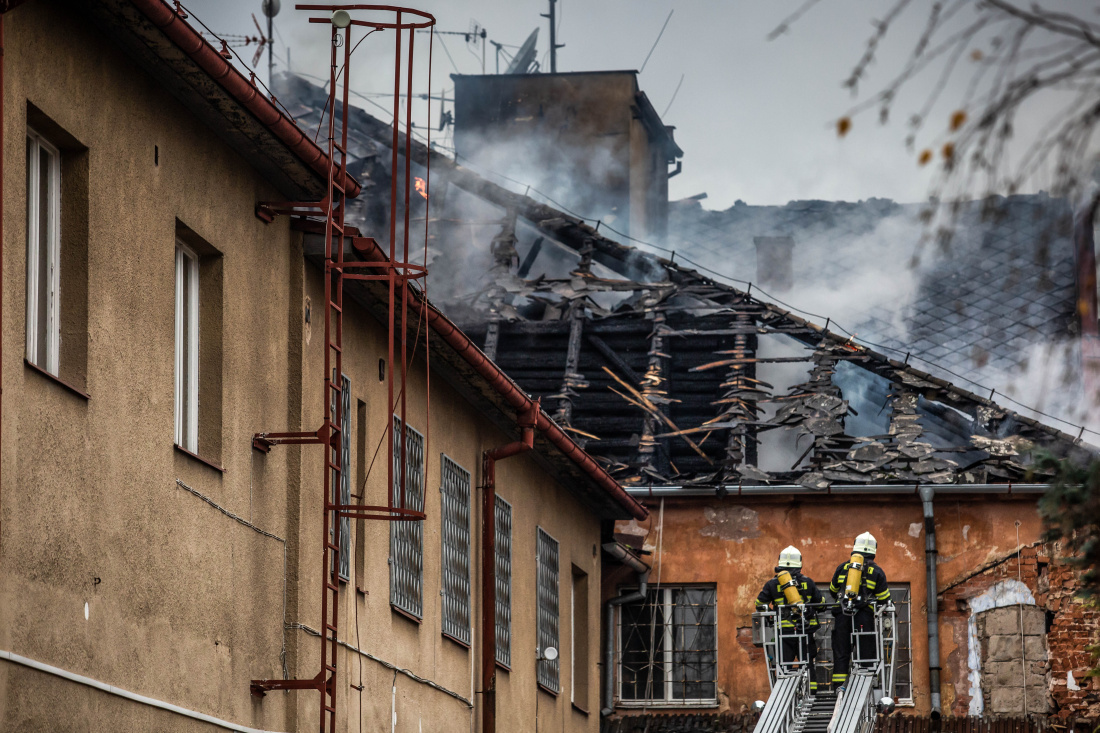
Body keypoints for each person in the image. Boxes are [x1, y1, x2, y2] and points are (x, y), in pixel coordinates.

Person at [755, 545, 824, 691]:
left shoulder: (772, 584)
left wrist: (771, 615)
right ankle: (811, 692)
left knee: (784, 665)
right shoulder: (808, 582)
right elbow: (821, 604)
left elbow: (760, 604)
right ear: (799, 564)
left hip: (783, 633)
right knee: (807, 663)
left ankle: (784, 692)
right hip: (805, 631)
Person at [829, 532, 891, 690]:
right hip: (864, 617)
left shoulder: (842, 568)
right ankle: (864, 684)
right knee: (866, 650)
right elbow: (884, 598)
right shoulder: (877, 572)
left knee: (841, 651)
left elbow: (832, 590)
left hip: (842, 616)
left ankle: (839, 685)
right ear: (873, 551)